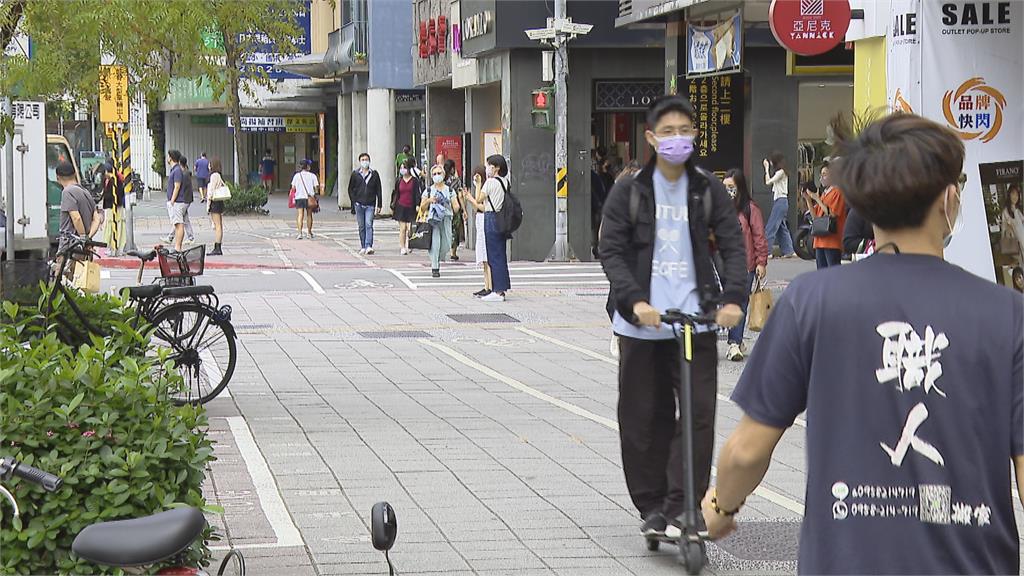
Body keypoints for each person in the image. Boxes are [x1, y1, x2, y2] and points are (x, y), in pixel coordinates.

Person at [703, 113, 1024, 575]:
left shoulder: (811, 303)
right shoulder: (1007, 315)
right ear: (949, 199)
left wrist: (720, 507)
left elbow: (748, 450)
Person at [599, 95, 747, 541]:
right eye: (668, 132)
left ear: (695, 136)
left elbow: (733, 245)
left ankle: (685, 505)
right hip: (642, 326)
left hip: (695, 322)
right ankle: (653, 505)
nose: (677, 139)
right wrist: (635, 302)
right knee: (644, 418)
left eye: (685, 131)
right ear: (650, 138)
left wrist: (734, 297)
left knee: (699, 416)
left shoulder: (707, 189)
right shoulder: (630, 190)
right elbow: (611, 250)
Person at [723, 168, 767, 362]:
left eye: (731, 187)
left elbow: (759, 236)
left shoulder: (750, 208)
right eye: (725, 187)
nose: (728, 191)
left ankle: (733, 342)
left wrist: (761, 262)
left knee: (739, 303)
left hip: (745, 265)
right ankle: (736, 340)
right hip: (723, 264)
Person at [803, 162, 848, 269]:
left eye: (825, 174)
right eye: (821, 175)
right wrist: (808, 200)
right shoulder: (824, 194)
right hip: (819, 240)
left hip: (832, 241)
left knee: (832, 272)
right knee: (821, 273)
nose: (822, 178)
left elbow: (832, 213)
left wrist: (817, 199)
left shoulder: (837, 192)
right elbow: (815, 218)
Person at [481, 155, 512, 302]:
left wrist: (478, 184)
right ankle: (501, 288)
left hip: (491, 218)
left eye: (489, 165)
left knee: (494, 255)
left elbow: (479, 198)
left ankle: (498, 291)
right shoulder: (505, 182)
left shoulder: (490, 182)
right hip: (502, 219)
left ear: (496, 167)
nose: (487, 168)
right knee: (500, 254)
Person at [420, 164, 459, 278]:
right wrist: (429, 200)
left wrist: (456, 206)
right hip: (433, 221)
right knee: (435, 243)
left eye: (439, 173)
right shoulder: (428, 190)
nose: (437, 176)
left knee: (446, 244)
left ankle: (438, 257)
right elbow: (422, 207)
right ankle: (435, 266)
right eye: (434, 174)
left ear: (444, 174)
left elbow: (455, 206)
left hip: (446, 219)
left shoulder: (450, 190)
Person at [57, 161, 102, 253]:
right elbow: (97, 219)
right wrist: (88, 238)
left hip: (70, 246)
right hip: (84, 247)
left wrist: (82, 238)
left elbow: (76, 217)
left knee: (61, 267)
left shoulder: (67, 192)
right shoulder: (85, 192)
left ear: (58, 177)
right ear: (74, 174)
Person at [461, 165, 492, 297]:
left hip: (485, 221)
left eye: (476, 176)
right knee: (483, 257)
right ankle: (486, 286)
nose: (474, 179)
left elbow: (482, 206)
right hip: (480, 222)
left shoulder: (486, 189)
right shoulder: (480, 188)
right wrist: (470, 197)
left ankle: (490, 287)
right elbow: (476, 208)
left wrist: (472, 197)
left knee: (487, 257)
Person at [348, 152, 382, 254]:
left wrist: (379, 204)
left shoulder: (374, 174)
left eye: (366, 159)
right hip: (358, 203)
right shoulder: (355, 174)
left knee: (369, 224)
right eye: (362, 160)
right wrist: (354, 201)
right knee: (361, 226)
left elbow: (378, 190)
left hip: (370, 204)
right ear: (359, 161)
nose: (364, 162)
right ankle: (363, 245)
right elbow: (350, 189)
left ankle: (368, 245)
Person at [763, 151, 795, 259]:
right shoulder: (781, 172)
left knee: (771, 227)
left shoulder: (781, 172)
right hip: (781, 201)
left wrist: (766, 169)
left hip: (780, 201)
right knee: (781, 227)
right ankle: (788, 250)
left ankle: (767, 252)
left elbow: (768, 182)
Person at [392, 158, 422, 255]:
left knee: (410, 229)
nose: (402, 170)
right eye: (401, 168)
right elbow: (396, 193)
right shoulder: (399, 181)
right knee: (403, 228)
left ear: (409, 169)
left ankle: (409, 245)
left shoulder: (414, 181)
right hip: (401, 206)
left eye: (404, 168)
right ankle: (402, 247)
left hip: (411, 207)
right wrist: (393, 205)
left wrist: (418, 204)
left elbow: (417, 193)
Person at [164, 150, 194, 245]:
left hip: (178, 201)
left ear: (171, 157)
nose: (167, 158)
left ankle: (177, 245)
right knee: (181, 222)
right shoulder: (175, 170)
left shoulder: (177, 171)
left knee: (179, 224)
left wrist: (172, 200)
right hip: (180, 201)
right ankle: (182, 239)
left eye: (168, 156)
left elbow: (177, 186)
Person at [100, 162, 126, 256]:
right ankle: (112, 247)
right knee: (110, 227)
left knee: (115, 226)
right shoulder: (107, 180)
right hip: (110, 207)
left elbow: (117, 194)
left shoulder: (115, 180)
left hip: (115, 207)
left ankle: (116, 247)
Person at [292, 159, 320, 239]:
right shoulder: (312, 176)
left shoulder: (297, 176)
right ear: (308, 167)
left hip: (299, 197)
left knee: (300, 215)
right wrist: (314, 194)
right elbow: (316, 187)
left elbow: (293, 187)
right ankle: (309, 233)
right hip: (309, 198)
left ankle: (300, 233)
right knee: (309, 215)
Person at [444, 159, 466, 261]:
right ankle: (453, 253)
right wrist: (464, 210)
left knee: (444, 229)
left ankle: (442, 250)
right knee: (455, 230)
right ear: (452, 168)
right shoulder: (456, 181)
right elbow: (460, 196)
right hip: (455, 209)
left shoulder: (441, 180)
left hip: (443, 209)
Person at [206, 157, 227, 255]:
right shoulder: (219, 175)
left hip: (214, 202)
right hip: (219, 202)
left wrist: (208, 204)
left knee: (218, 226)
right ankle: (218, 247)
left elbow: (211, 192)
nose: (208, 166)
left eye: (210, 164)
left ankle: (217, 247)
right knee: (219, 225)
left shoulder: (213, 176)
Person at [1000, 183, 1024, 265]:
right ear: (1009, 194)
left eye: (1017, 194)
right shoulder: (1006, 212)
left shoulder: (1018, 210)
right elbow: (1004, 230)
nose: (1015, 197)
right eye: (1013, 193)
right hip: (1017, 246)